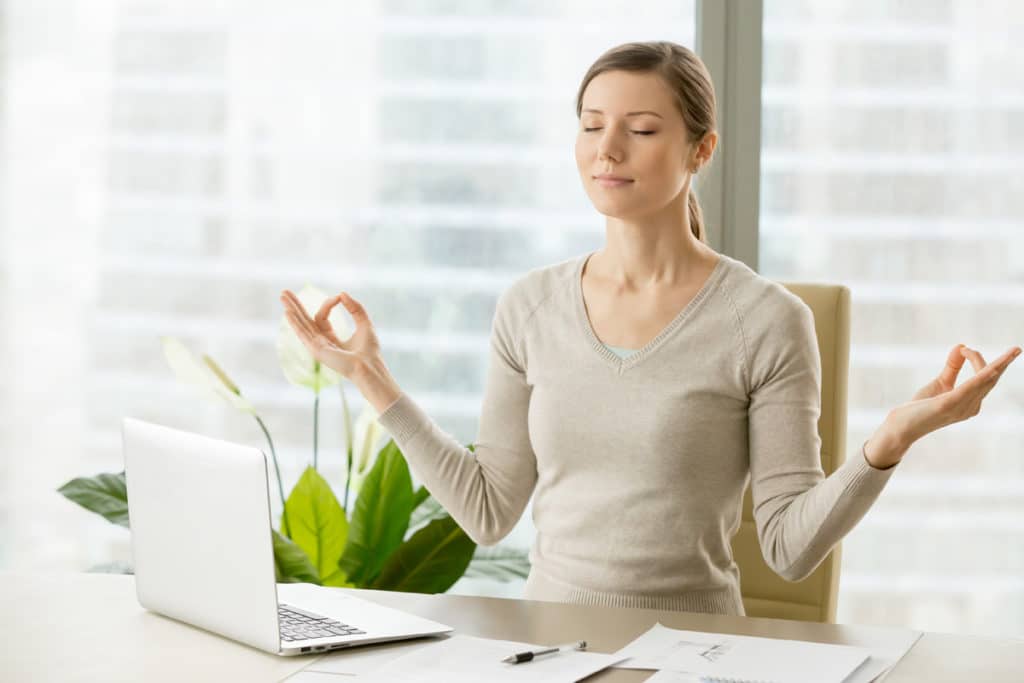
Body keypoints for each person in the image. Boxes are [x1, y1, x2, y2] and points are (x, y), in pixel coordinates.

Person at [280, 41, 1020, 615]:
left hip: (694, 652)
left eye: (639, 129)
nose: (607, 150)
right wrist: (368, 377)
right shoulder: (529, 305)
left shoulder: (767, 321)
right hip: (549, 651)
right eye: (592, 126)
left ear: (701, 150)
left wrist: (891, 438)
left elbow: (789, 550)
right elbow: (486, 512)